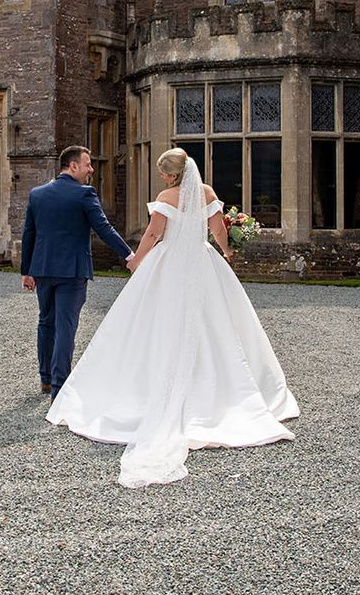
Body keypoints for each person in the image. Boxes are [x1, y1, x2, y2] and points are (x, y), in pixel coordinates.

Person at [47, 148, 298, 488]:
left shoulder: (167, 197)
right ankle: (221, 392)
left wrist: (137, 260)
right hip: (202, 262)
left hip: (170, 265)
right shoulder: (207, 193)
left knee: (156, 323)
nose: (161, 177)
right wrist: (227, 250)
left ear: (172, 174)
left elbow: (153, 234)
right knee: (216, 324)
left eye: (163, 173)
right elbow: (217, 229)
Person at [21, 145, 133, 400]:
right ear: (73, 166)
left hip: (43, 269)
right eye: (87, 164)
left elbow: (29, 234)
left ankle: (46, 379)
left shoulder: (37, 194)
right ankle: (59, 387)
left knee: (46, 322)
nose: (91, 169)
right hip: (72, 271)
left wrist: (26, 271)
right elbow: (104, 229)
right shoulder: (84, 194)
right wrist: (129, 256)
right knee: (65, 327)